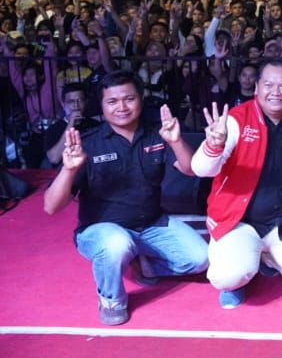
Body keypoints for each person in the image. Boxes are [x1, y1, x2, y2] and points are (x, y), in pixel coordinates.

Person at [42, 70, 209, 325]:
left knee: (202, 259)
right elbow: (51, 207)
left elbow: (190, 170)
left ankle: (146, 265)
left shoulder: (157, 135)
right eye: (112, 101)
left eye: (129, 99)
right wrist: (69, 168)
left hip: (152, 224)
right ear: (102, 106)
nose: (121, 107)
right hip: (102, 231)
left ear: (140, 100)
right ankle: (111, 300)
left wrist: (175, 142)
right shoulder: (88, 143)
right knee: (118, 243)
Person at [191, 58, 282, 309]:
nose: (276, 92)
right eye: (268, 84)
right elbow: (201, 169)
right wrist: (214, 144)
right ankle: (244, 271)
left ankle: (270, 257)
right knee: (228, 276)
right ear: (256, 88)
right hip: (240, 223)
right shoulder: (234, 120)